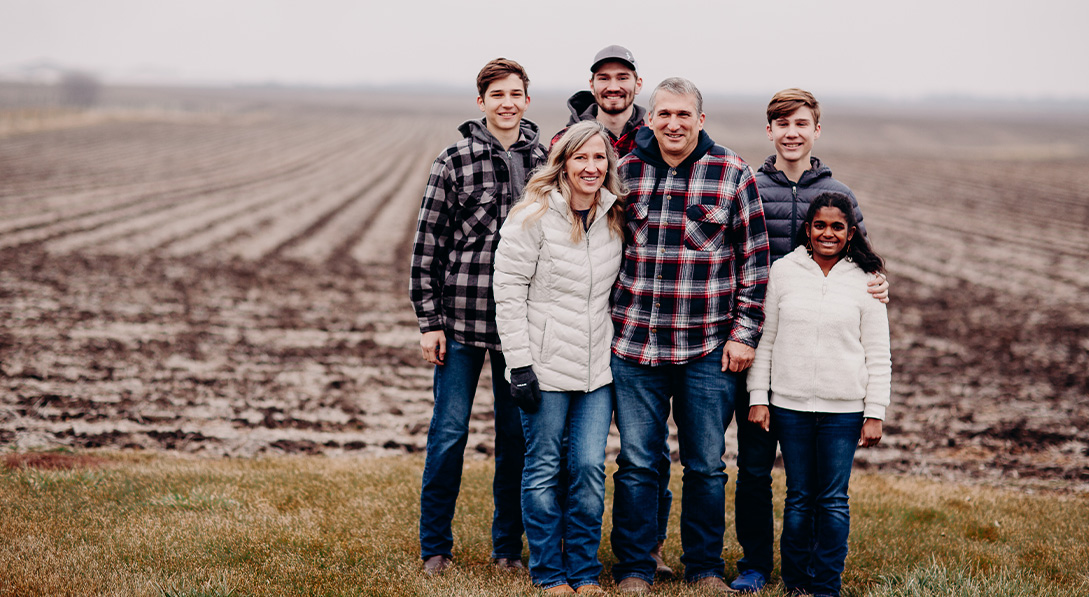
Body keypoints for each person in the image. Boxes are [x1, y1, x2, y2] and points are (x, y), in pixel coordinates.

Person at [609, 77, 769, 594]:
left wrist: (744, 335)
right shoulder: (624, 172)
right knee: (636, 462)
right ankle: (634, 566)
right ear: (648, 119)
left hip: (706, 348)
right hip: (635, 345)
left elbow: (754, 261)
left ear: (700, 119)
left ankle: (703, 569)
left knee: (705, 464)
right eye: (663, 115)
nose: (673, 124)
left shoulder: (731, 171)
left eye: (684, 115)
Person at [731, 88, 889, 593]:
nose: (792, 133)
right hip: (758, 347)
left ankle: (818, 574)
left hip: (823, 362)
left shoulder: (837, 192)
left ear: (815, 130)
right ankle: (756, 563)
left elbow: (861, 259)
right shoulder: (750, 186)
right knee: (755, 470)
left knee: (817, 489)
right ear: (770, 131)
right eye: (782, 124)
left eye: (801, 123)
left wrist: (881, 282)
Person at [409, 57, 547, 576]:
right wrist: (429, 322)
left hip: (523, 328)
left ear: (527, 100)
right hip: (461, 322)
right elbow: (427, 248)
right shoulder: (453, 161)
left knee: (517, 440)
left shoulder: (546, 161)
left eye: (516, 94)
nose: (507, 103)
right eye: (497, 95)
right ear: (481, 101)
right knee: (448, 435)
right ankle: (435, 548)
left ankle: (508, 548)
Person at [554, 45, 677, 578]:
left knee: (647, 450)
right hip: (579, 315)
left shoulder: (659, 138)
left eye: (622, 78)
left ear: (636, 83)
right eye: (603, 78)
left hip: (639, 317)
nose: (613, 86)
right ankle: (559, 548)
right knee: (566, 450)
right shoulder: (568, 141)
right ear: (593, 84)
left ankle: (644, 551)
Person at [493, 120, 626, 595]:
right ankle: (549, 572)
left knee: (589, 468)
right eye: (580, 158)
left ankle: (584, 571)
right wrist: (520, 364)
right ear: (563, 164)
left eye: (598, 158)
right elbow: (507, 292)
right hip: (543, 368)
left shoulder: (616, 217)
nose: (590, 168)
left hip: (596, 370)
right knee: (544, 466)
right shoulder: (531, 216)